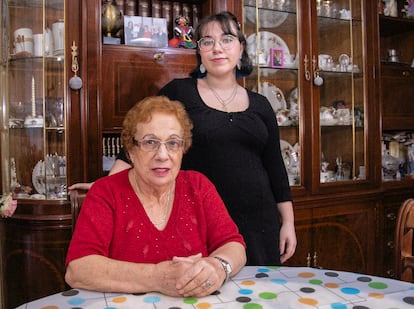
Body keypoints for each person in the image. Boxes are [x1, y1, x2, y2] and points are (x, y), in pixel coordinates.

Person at [69, 11, 296, 266]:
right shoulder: (179, 91)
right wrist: (107, 188)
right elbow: (140, 141)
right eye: (207, 41)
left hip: (259, 220)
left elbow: (276, 167)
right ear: (199, 51)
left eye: (227, 39)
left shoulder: (261, 104)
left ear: (241, 47)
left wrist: (287, 222)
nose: (217, 48)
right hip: (201, 219)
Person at [65, 96, 246, 297]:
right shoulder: (105, 192)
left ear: (182, 150)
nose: (162, 155)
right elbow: (78, 270)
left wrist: (218, 266)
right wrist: (157, 277)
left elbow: (234, 245)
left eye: (173, 143)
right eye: (150, 142)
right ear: (131, 151)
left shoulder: (198, 186)